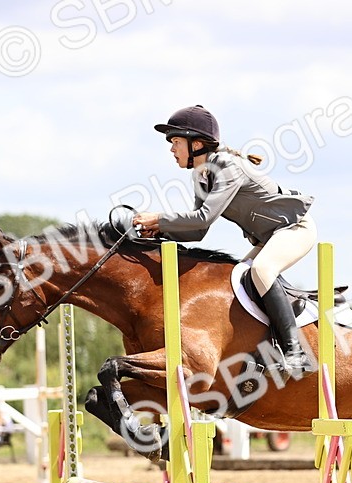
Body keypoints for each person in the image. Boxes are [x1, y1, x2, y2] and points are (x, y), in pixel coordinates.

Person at [132, 105, 317, 378]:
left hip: (295, 228)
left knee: (261, 270)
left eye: (176, 142)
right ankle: (265, 345)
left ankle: (295, 353)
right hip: (269, 237)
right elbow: (198, 231)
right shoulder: (201, 175)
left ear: (196, 144)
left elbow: (204, 217)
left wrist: (159, 218)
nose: (172, 149)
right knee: (236, 279)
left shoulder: (227, 166)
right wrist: (159, 230)